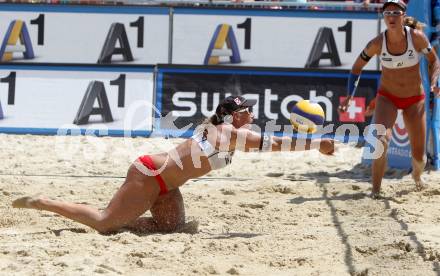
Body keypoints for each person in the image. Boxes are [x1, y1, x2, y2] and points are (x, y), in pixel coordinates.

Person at [13, 95, 335, 234]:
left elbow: (267, 139)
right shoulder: (225, 132)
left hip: (168, 187)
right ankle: (44, 203)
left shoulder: (228, 131)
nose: (252, 114)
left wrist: (301, 132)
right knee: (103, 223)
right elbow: (275, 145)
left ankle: (125, 214)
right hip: (149, 176)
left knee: (172, 229)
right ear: (235, 116)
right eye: (247, 111)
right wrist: (316, 143)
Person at [339, 0, 440, 198]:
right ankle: (375, 191)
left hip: (414, 99)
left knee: (418, 156)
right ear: (384, 17)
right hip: (388, 97)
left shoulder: (416, 37)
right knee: (380, 142)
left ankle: (417, 177)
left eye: (396, 12)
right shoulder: (377, 43)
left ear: (403, 16)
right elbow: (356, 68)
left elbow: (434, 60)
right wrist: (349, 96)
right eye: (387, 13)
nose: (391, 16)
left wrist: (435, 80)